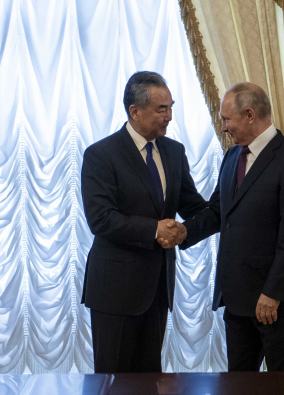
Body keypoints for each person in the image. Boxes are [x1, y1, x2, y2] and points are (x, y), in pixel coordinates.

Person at [163, 82, 284, 372]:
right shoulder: (233, 157)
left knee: (282, 389)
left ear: (249, 115)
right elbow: (220, 210)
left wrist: (272, 294)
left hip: (277, 303)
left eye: (225, 119)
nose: (223, 127)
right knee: (239, 386)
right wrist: (185, 232)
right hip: (237, 300)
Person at [81, 71, 206, 373]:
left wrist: (191, 227)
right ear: (135, 112)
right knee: (113, 384)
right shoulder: (101, 155)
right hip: (114, 292)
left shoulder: (174, 152)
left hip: (158, 290)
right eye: (162, 109)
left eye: (171, 107)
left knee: (151, 381)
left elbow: (193, 206)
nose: (169, 116)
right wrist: (155, 230)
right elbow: (101, 219)